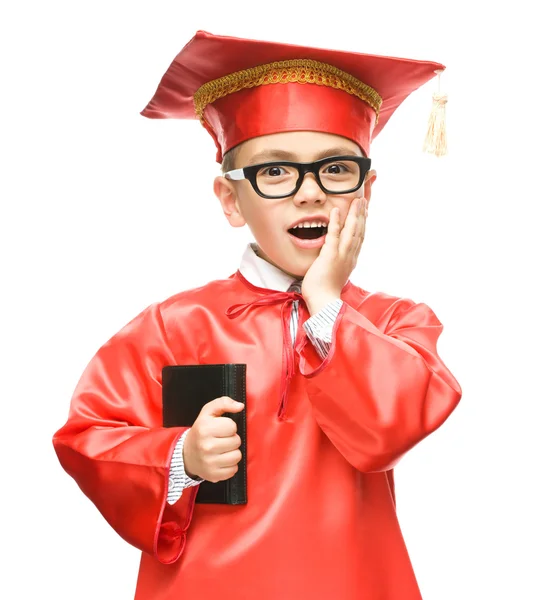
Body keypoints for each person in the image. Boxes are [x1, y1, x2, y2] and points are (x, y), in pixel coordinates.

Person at [53, 30, 462, 600]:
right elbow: (87, 438)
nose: (309, 194)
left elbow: (390, 429)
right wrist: (179, 457)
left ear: (367, 191)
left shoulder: (397, 323)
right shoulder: (176, 326)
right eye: (274, 172)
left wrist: (326, 303)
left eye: (335, 169)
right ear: (229, 199)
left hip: (353, 580)